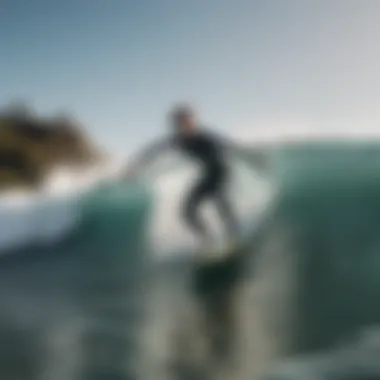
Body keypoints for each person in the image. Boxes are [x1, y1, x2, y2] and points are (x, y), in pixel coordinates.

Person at [126, 105, 243, 251]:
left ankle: (235, 237)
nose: (188, 126)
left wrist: (255, 161)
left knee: (220, 201)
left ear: (195, 121)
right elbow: (153, 150)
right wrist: (134, 167)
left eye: (190, 121)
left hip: (222, 173)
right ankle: (207, 239)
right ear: (177, 126)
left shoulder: (207, 137)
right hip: (208, 175)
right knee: (187, 212)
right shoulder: (177, 140)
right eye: (182, 123)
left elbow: (231, 146)